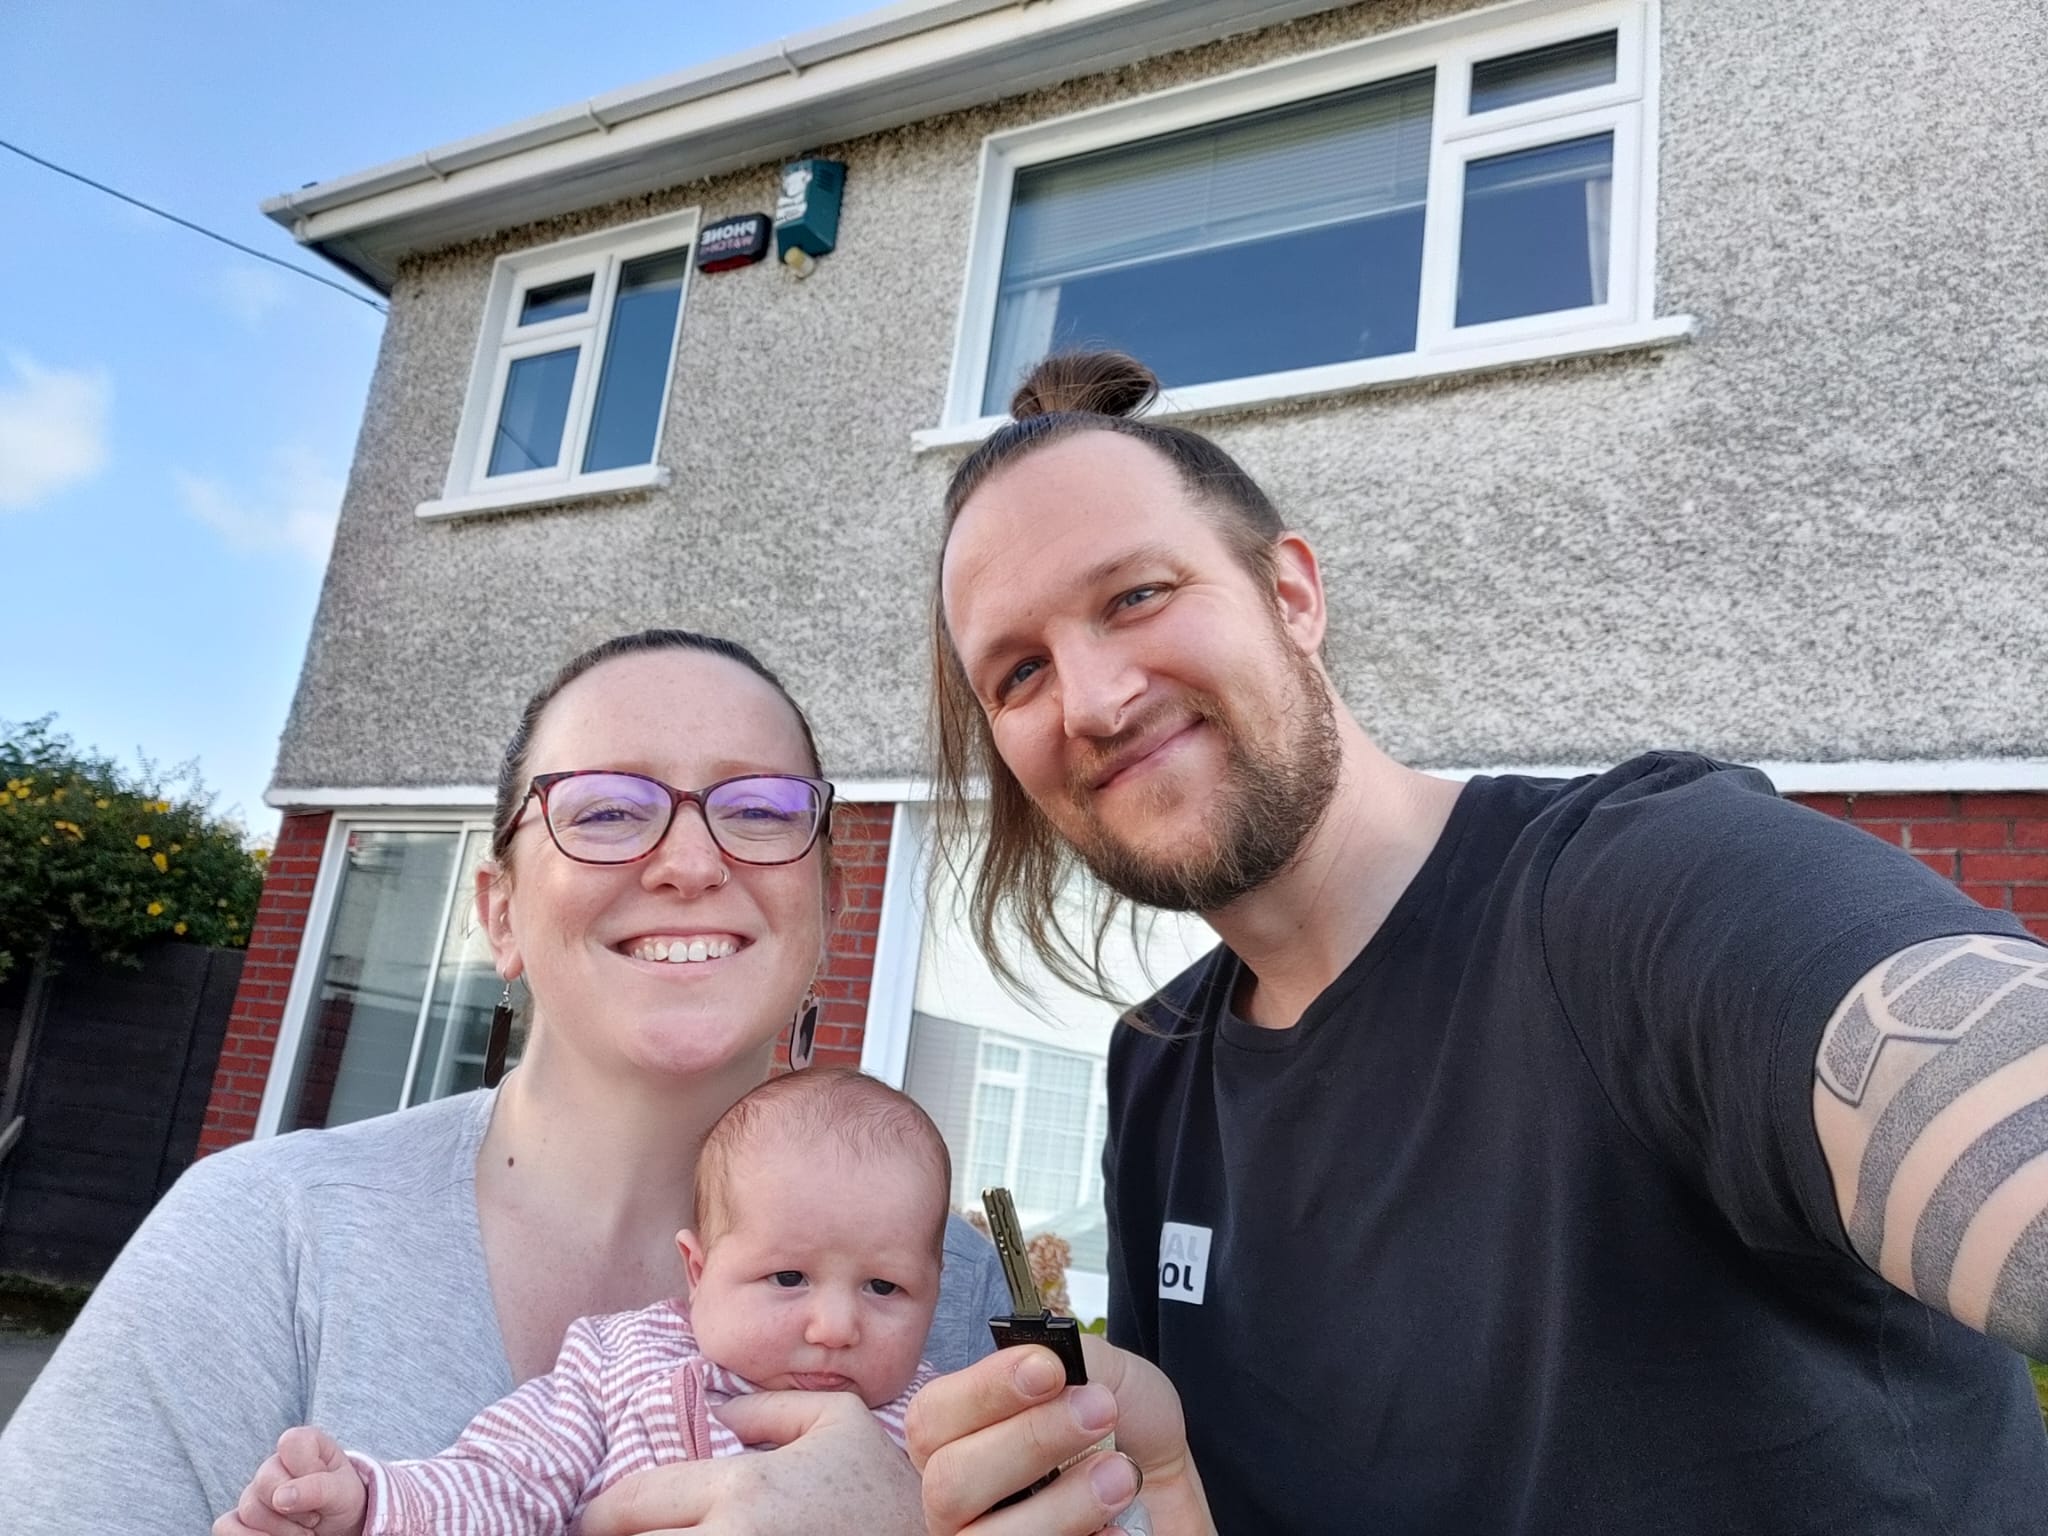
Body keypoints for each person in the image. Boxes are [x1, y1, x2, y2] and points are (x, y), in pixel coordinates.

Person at [904, 351, 2048, 1534]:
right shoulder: (1153, 1069)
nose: (1090, 699)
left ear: (1290, 595)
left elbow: (1950, 1056)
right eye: (1019, 671)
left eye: (1135, 595)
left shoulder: (1632, 886)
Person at [0, 629, 1012, 1536]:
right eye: (608, 809)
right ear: (497, 911)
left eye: (757, 809)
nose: (693, 860)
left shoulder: (964, 1296)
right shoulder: (264, 1236)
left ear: (829, 907)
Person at [216, 1068, 951, 1536]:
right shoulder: (617, 1365)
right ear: (697, 1270)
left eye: (884, 1287)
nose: (835, 1327)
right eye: (787, 1279)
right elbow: (507, 1483)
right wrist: (373, 1505)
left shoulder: (941, 1432)